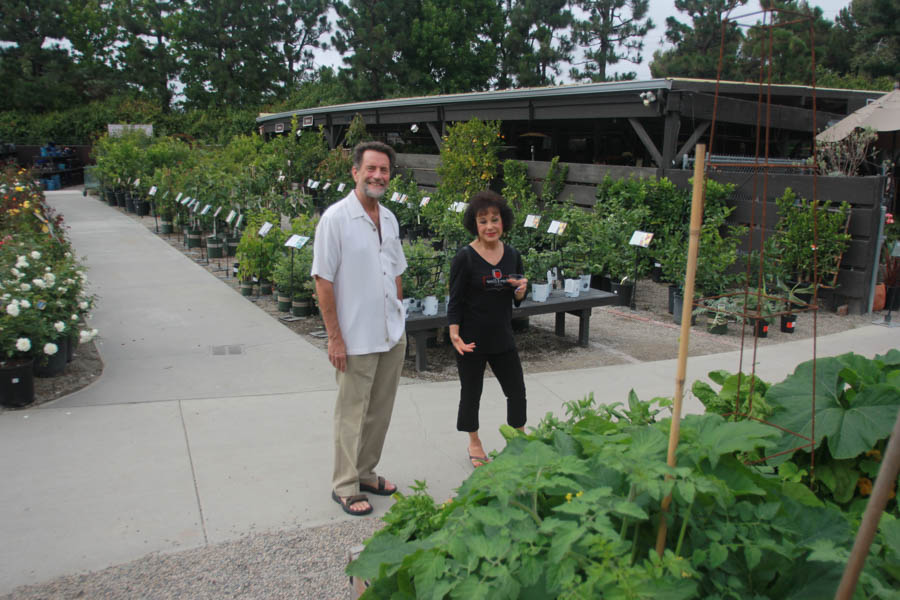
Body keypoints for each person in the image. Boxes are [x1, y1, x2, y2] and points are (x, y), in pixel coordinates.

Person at [312, 141, 407, 516]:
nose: (378, 176)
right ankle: (345, 484)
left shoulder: (389, 218)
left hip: (389, 334)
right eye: (371, 169)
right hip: (355, 337)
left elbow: (396, 270)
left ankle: (366, 472)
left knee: (379, 411)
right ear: (355, 172)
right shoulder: (336, 220)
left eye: (384, 170)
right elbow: (323, 280)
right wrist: (335, 338)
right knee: (351, 413)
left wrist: (398, 314)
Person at [447, 190, 528, 468]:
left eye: (495, 219)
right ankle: (474, 442)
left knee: (516, 391)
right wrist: (454, 334)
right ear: (475, 225)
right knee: (471, 394)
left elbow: (517, 300)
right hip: (471, 340)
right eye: (483, 221)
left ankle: (519, 438)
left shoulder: (512, 255)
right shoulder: (465, 257)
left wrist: (520, 290)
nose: (490, 226)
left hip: (502, 336)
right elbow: (455, 300)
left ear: (503, 221)